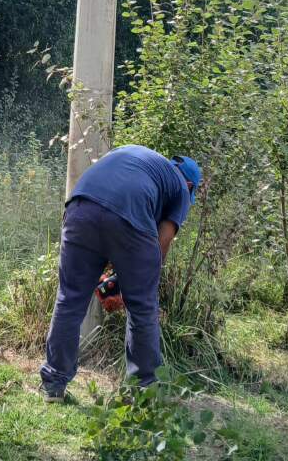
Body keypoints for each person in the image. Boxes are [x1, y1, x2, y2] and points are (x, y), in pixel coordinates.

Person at [40, 144, 201, 402]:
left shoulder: (136, 157)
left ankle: (53, 385)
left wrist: (112, 277)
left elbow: (105, 218)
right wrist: (134, 285)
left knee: (69, 298)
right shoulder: (181, 188)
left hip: (79, 207)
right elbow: (162, 242)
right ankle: (141, 393)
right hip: (127, 219)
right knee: (143, 306)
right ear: (191, 186)